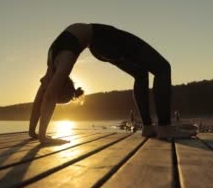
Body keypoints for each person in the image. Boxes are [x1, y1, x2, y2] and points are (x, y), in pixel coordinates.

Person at [28, 23, 194, 145]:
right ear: (60, 83)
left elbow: (41, 98)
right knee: (162, 68)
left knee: (140, 74)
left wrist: (32, 131)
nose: (44, 85)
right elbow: (49, 96)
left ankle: (148, 127)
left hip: (101, 47)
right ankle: (164, 126)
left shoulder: (50, 69)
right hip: (105, 39)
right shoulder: (63, 61)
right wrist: (43, 138)